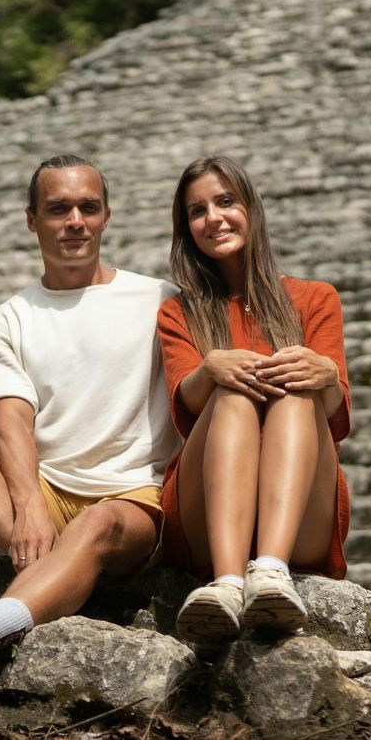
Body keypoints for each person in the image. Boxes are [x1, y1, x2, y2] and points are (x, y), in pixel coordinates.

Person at [0, 154, 180, 711]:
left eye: (87, 207)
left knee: (99, 520)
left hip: (133, 499)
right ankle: (57, 571)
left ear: (106, 217)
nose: (74, 220)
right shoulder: (8, 318)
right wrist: (28, 504)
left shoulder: (162, 300)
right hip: (46, 493)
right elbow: (11, 422)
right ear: (32, 219)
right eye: (58, 209)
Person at [155, 154, 352, 644]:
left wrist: (327, 376)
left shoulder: (316, 298)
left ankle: (269, 569)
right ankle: (225, 583)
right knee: (232, 394)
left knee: (297, 386)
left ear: (251, 208)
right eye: (197, 211)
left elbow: (335, 414)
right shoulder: (178, 312)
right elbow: (186, 406)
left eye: (226, 202)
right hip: (208, 513)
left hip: (300, 512)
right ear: (186, 228)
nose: (213, 218)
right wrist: (210, 370)